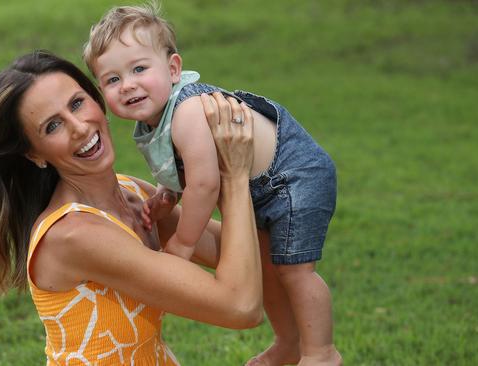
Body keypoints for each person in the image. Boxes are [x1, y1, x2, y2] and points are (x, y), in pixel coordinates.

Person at [0, 50, 263, 365]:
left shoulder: (130, 193)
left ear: (97, 100)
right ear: (34, 154)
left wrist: (210, 166)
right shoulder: (74, 236)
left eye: (77, 103)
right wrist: (235, 177)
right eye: (52, 126)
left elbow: (249, 257)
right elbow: (241, 306)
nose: (78, 127)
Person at [83, 3, 342, 365]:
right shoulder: (152, 123)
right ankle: (288, 342)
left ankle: (321, 352)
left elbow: (205, 185)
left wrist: (184, 244)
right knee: (267, 268)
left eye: (139, 68)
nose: (128, 85)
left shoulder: (187, 112)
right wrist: (167, 195)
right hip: (260, 189)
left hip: (293, 178)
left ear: (173, 69)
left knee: (294, 271)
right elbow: (189, 170)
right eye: (113, 79)